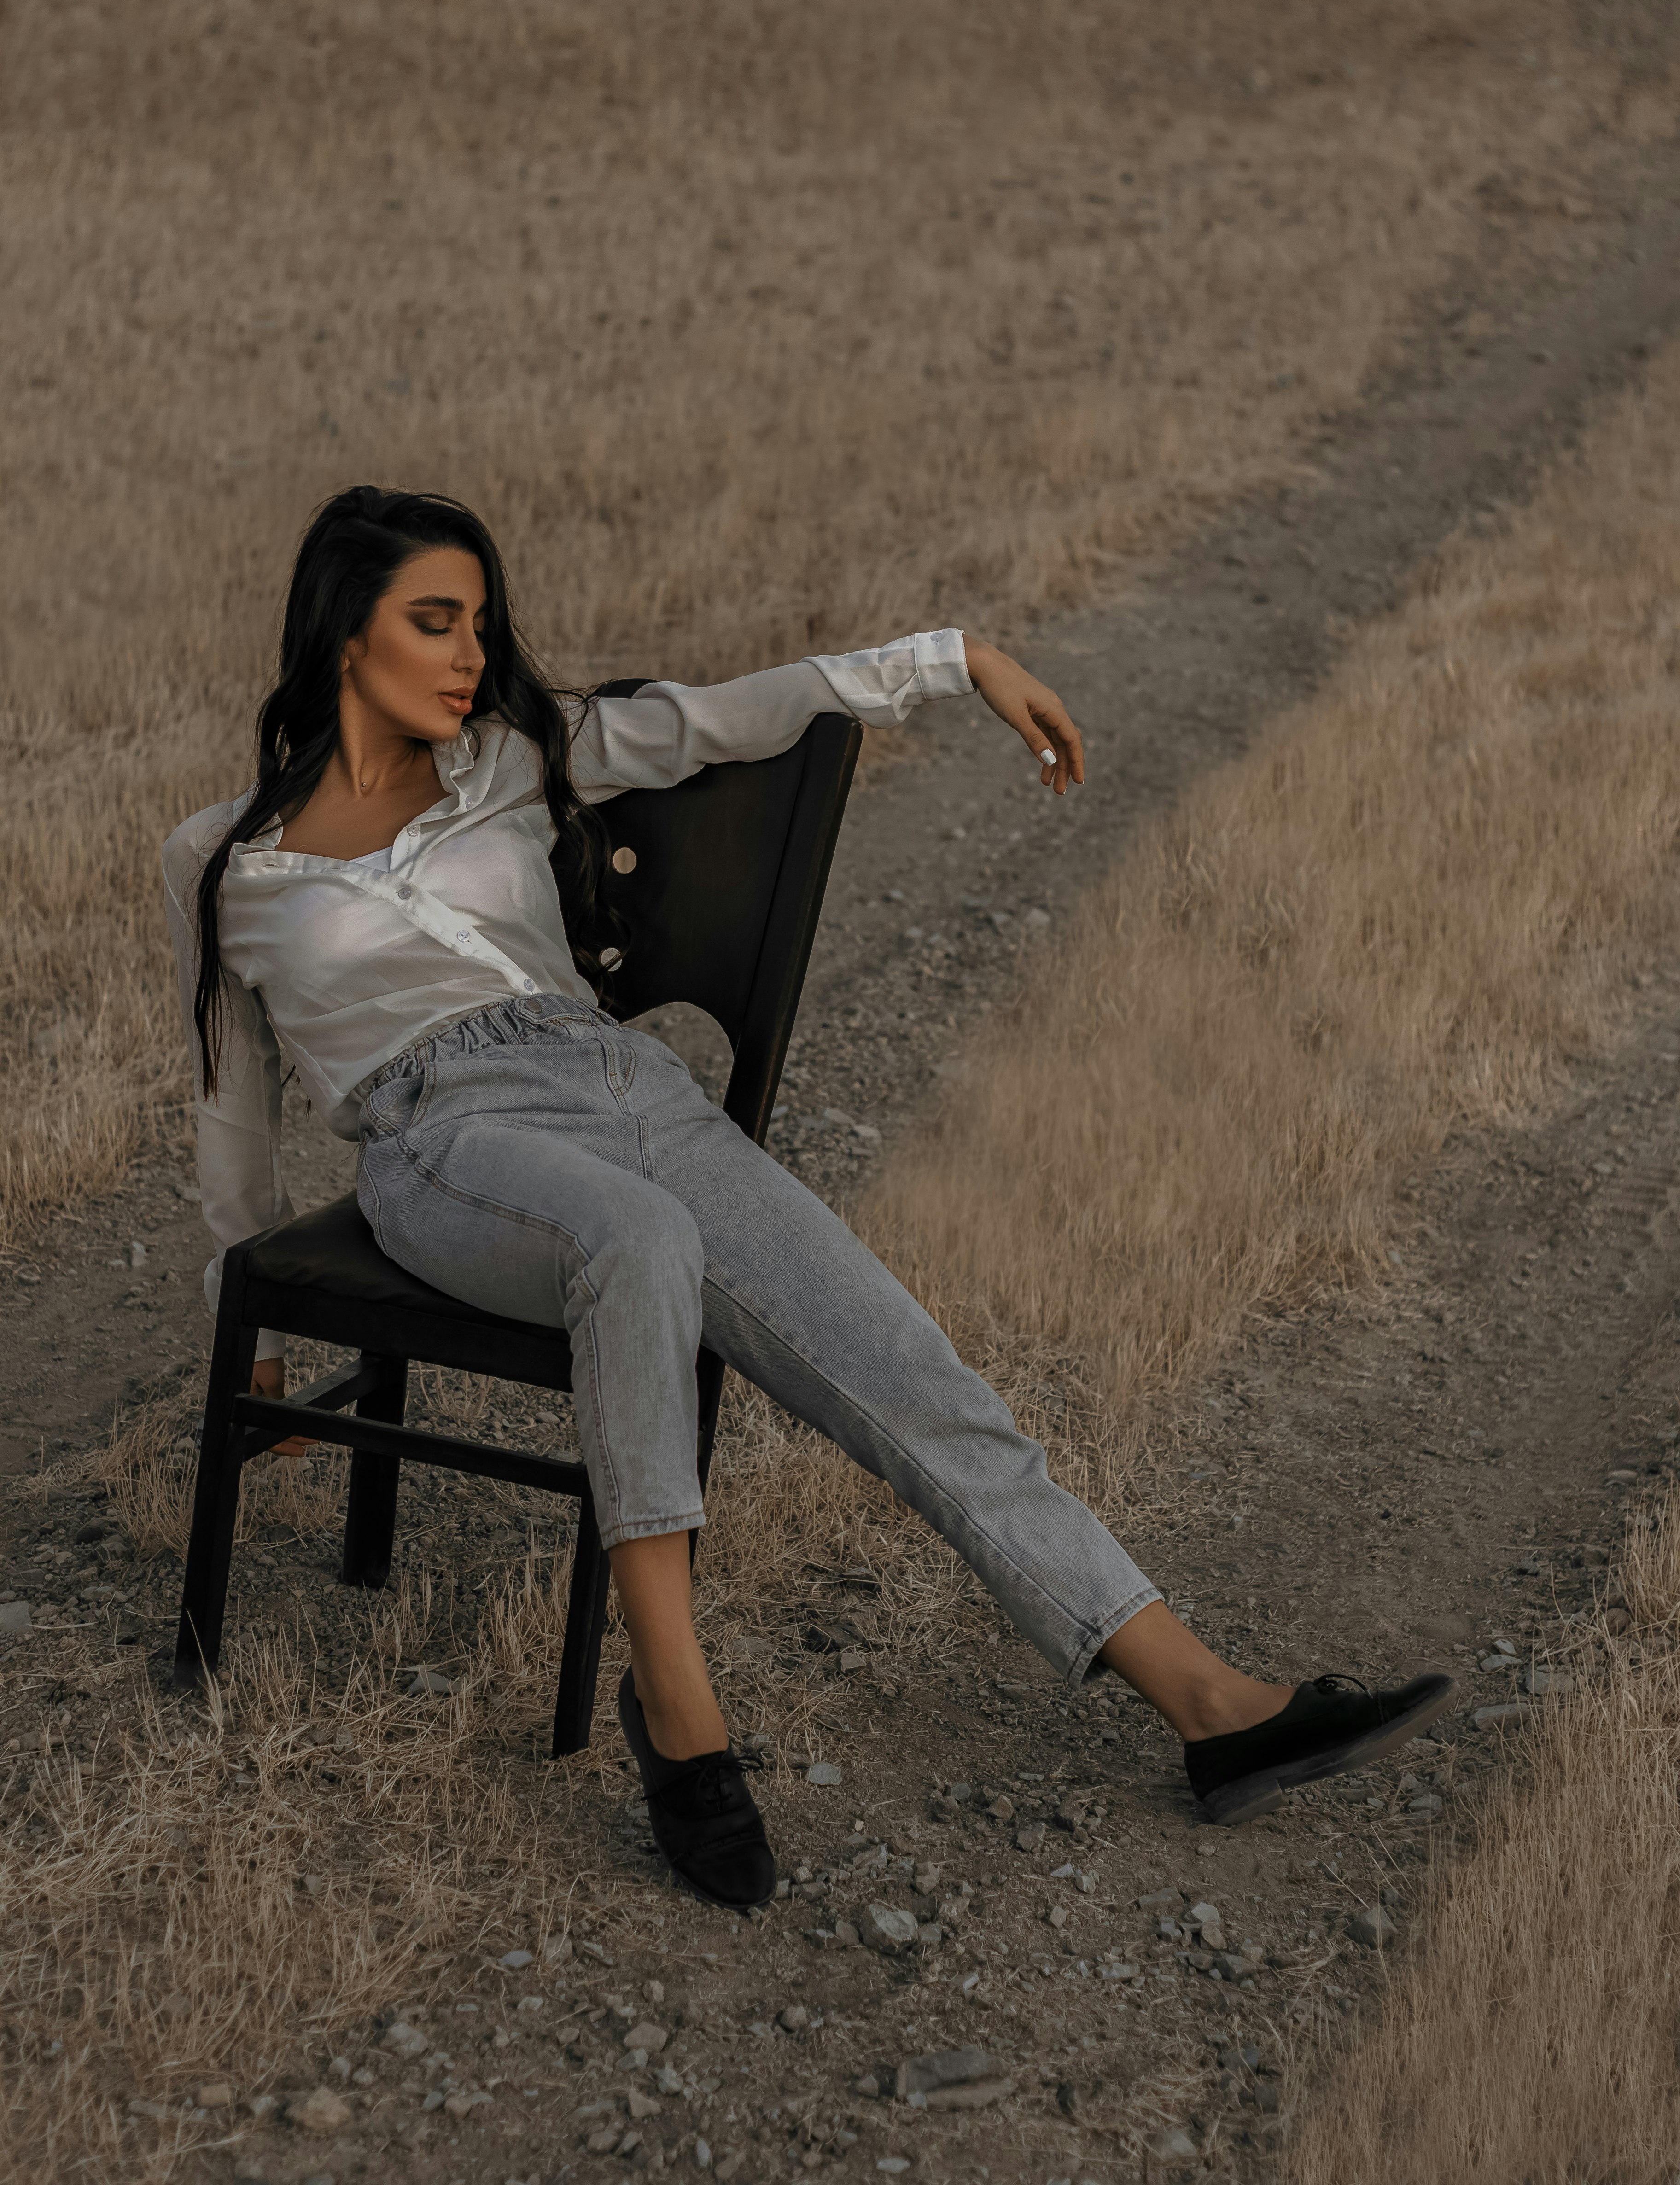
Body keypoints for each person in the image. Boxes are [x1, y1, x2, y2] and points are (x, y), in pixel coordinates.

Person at [163, 487, 1452, 1909]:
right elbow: (233, 1112)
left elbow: (737, 712)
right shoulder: (226, 861)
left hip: (626, 1090)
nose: (472, 651)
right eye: (434, 620)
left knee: (907, 1363)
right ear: (345, 630)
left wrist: (953, 657)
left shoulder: (520, 756)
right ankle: (679, 1704)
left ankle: (1211, 1705)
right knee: (635, 1241)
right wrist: (248, 1302)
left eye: (480, 621)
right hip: (440, 1138)